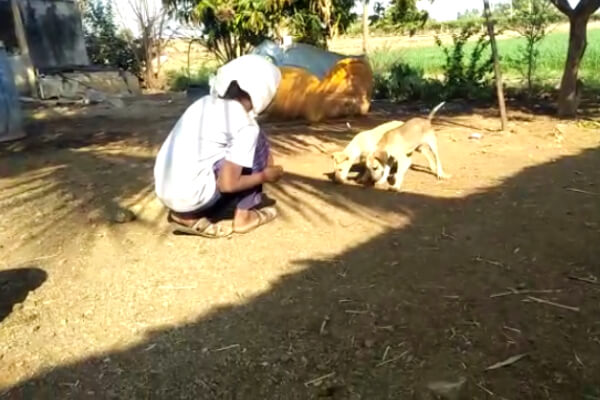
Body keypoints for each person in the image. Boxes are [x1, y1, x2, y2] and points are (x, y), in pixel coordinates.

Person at [153, 55, 284, 238]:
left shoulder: (203, 103)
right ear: (263, 92)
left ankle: (187, 215)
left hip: (167, 194)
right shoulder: (245, 125)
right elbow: (227, 185)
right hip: (193, 197)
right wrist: (264, 175)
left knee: (235, 154)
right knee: (256, 144)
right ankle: (244, 218)